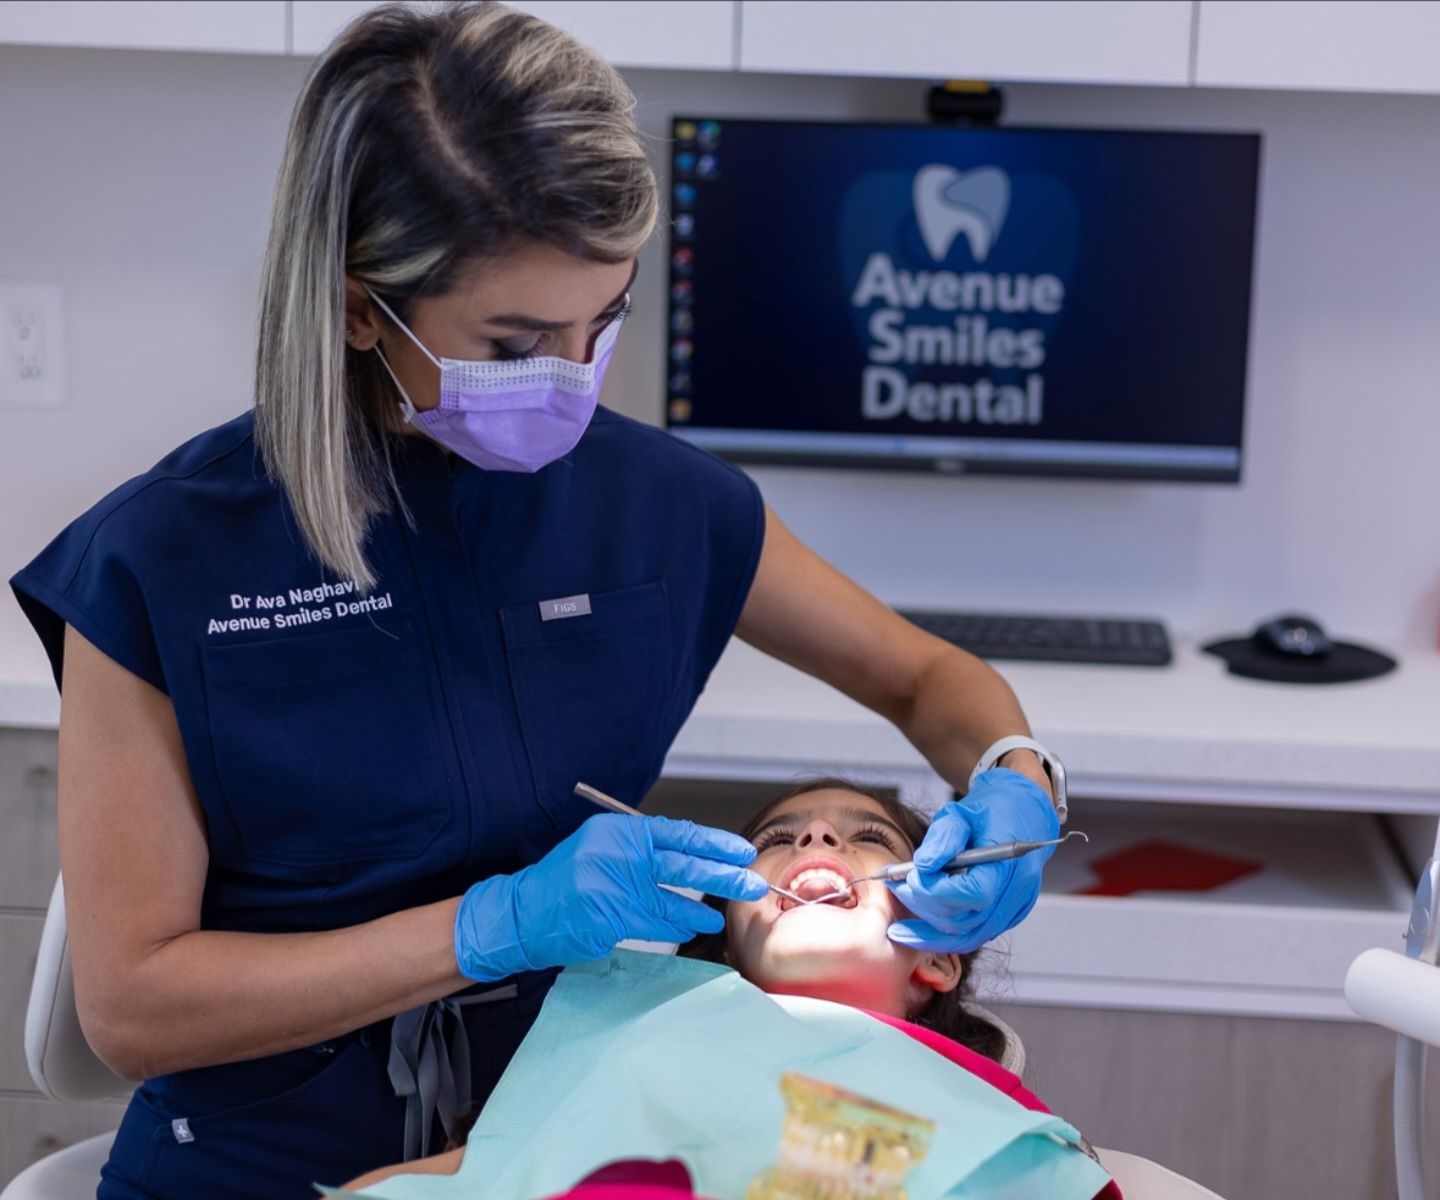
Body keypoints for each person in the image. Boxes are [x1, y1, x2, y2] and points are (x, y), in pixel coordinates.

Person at [9, 4, 1067, 1196]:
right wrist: (490, 926)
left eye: (601, 322)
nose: (569, 380)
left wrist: (1018, 775)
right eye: (516, 344)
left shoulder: (660, 504)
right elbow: (135, 1011)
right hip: (256, 1165)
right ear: (360, 306)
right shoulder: (161, 563)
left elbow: (929, 681)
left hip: (575, 1139)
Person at [338, 780, 1118, 1200]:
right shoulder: (638, 1039)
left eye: (868, 837)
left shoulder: (979, 1123)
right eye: (776, 841)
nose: (816, 840)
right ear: (728, 943)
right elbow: (475, 1176)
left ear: (937, 958)